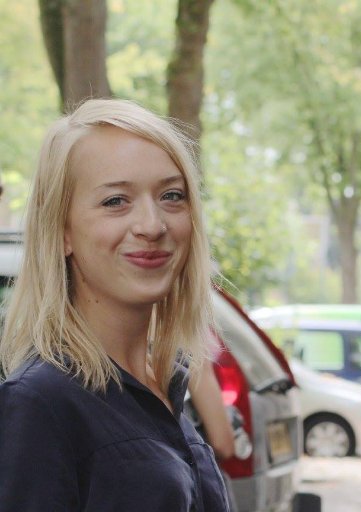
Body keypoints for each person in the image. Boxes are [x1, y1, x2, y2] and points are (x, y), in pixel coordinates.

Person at [0, 99, 230, 511]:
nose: (152, 225)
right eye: (115, 201)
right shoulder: (39, 404)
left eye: (172, 196)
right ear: (62, 231)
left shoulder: (164, 388)